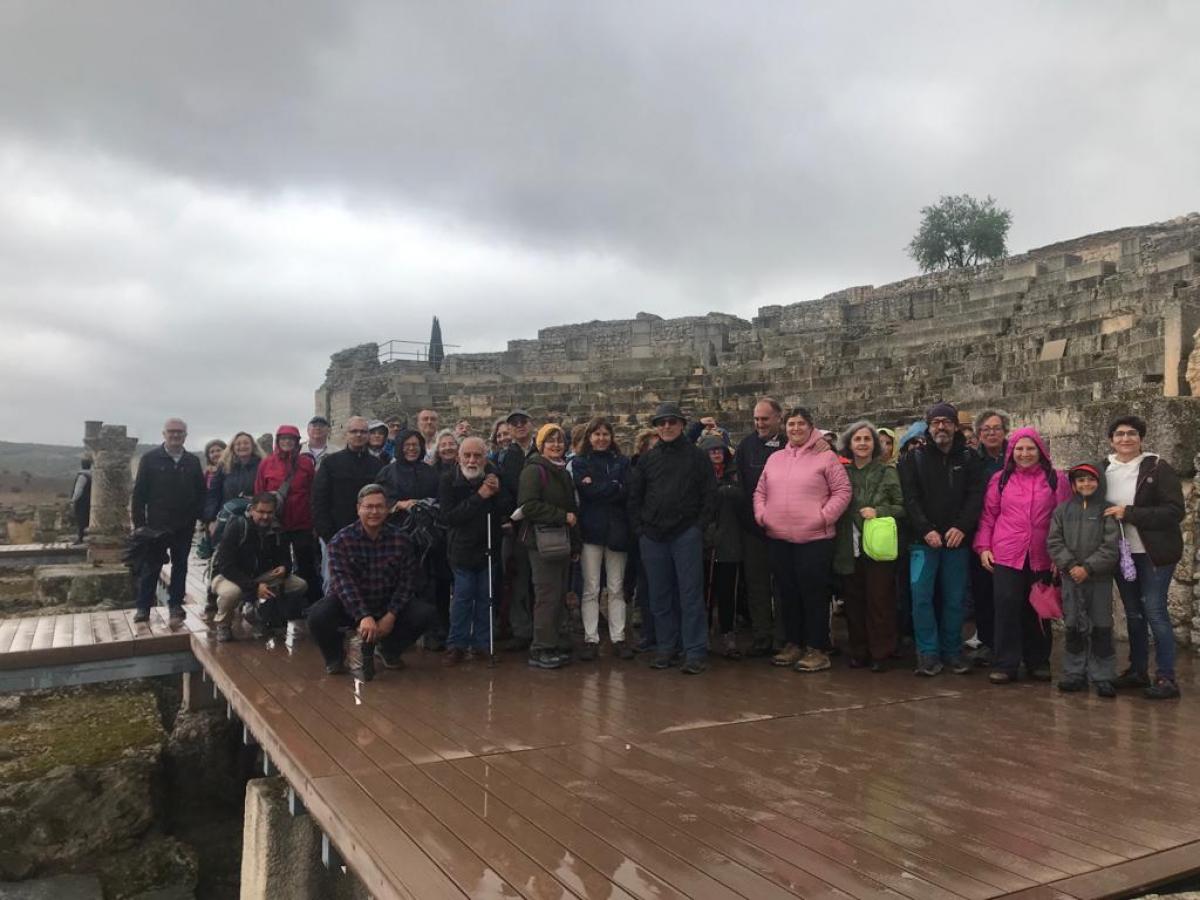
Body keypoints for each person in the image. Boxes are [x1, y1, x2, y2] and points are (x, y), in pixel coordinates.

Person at [754, 407, 851, 673]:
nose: (795, 429)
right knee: (788, 594)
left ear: (811, 427)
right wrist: (762, 515)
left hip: (815, 539)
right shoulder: (775, 458)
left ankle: (817, 648)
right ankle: (793, 643)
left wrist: (823, 517)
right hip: (780, 537)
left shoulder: (826, 456)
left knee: (813, 594)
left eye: (801, 424)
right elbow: (761, 490)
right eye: (791, 424)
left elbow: (842, 490)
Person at [973, 427, 1070, 684]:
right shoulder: (1000, 480)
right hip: (1007, 553)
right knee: (1006, 608)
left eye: (1030, 448)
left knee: (1038, 609)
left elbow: (1064, 519)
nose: (1025, 454)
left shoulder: (1056, 479)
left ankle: (1038, 661)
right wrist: (983, 547)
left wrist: (1061, 557)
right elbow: (988, 516)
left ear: (1040, 451)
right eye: (1019, 449)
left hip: (1042, 553)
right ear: (1011, 452)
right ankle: (1006, 663)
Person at [307, 484, 435, 679]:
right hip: (350, 605)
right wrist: (363, 616)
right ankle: (335, 657)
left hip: (386, 603)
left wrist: (391, 615)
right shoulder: (340, 541)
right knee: (317, 615)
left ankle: (388, 650)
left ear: (387, 509)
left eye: (379, 506)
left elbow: (407, 582)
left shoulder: (402, 540)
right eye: (369, 506)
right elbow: (343, 584)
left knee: (425, 613)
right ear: (358, 508)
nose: (374, 511)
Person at [627, 403, 718, 675]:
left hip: (685, 533)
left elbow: (709, 494)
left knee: (690, 595)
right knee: (660, 595)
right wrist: (640, 529)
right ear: (656, 426)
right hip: (653, 536)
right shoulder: (648, 459)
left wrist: (698, 527)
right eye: (661, 422)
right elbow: (635, 496)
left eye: (672, 422)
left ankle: (694, 650)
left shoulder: (697, 457)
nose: (666, 426)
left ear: (681, 424)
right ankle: (667, 646)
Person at [1102, 414, 1186, 700]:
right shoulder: (1104, 469)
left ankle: (1166, 677)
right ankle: (1138, 671)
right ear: (1111, 439)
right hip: (1122, 554)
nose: (1125, 438)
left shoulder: (1158, 467)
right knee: (1134, 614)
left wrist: (1130, 513)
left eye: (1132, 433)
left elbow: (1174, 511)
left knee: (1155, 612)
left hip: (1154, 554)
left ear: (1141, 438)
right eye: (1119, 434)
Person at [899, 402, 985, 677]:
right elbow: (910, 498)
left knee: (955, 598)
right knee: (921, 597)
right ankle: (927, 652)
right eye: (935, 422)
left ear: (955, 425)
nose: (941, 427)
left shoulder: (970, 458)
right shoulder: (914, 458)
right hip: (923, 541)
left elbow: (975, 497)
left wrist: (961, 527)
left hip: (956, 541)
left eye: (946, 421)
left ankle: (952, 650)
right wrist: (926, 529)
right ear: (928, 426)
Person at [832, 421, 904, 671]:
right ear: (849, 444)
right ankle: (858, 651)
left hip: (877, 545)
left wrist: (879, 511)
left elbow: (901, 506)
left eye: (867, 439)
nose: (862, 443)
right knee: (853, 602)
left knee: (880, 601)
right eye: (857, 439)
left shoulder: (887, 472)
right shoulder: (842, 473)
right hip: (848, 545)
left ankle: (881, 652)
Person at [1047, 464, 1119, 698]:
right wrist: (1071, 566)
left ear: (1099, 482)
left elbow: (1111, 546)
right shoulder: (1062, 511)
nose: (1086, 484)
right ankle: (1074, 672)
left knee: (1101, 626)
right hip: (1071, 578)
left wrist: (1088, 567)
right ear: (1074, 484)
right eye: (1081, 481)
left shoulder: (1106, 511)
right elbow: (1054, 542)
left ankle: (1103, 675)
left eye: (1090, 480)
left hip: (1099, 578)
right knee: (1074, 624)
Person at [439, 437, 511, 665]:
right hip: (461, 549)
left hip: (488, 547)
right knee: (462, 597)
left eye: (477, 456)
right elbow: (450, 517)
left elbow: (506, 508)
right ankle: (456, 644)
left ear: (485, 457)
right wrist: (480, 496)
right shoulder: (449, 479)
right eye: (467, 455)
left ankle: (483, 643)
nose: (472, 460)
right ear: (459, 457)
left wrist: (497, 493)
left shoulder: (495, 476)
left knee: (485, 598)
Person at [131, 418, 206, 624]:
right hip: (156, 526)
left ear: (185, 436)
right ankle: (143, 608)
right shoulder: (150, 459)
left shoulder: (192, 461)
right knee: (151, 566)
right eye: (171, 432)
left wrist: (201, 518)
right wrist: (139, 526)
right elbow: (139, 495)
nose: (175, 435)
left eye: (180, 432)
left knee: (180, 566)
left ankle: (175, 606)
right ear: (164, 434)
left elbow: (200, 492)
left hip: (184, 525)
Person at [377, 429, 447, 649]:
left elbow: (440, 499)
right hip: (398, 533)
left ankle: (433, 632)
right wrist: (400, 504)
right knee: (398, 582)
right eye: (407, 445)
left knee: (429, 582)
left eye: (415, 445)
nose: (411, 449)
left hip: (427, 535)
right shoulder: (388, 472)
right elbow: (380, 501)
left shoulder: (430, 472)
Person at [518, 424, 581, 669]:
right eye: (550, 441)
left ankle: (554, 642)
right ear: (541, 445)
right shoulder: (534, 470)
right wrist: (561, 516)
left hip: (560, 542)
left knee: (557, 594)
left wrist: (575, 542)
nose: (556, 445)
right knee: (547, 595)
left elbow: (572, 510)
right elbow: (528, 505)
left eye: (560, 441)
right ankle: (541, 648)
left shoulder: (561, 471)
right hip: (542, 542)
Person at [573, 417, 633, 660]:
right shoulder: (580, 462)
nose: (601, 438)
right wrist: (613, 486)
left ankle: (618, 637)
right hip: (591, 531)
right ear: (589, 437)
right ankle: (591, 638)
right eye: (596, 434)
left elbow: (626, 489)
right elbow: (587, 492)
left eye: (605, 434)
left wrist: (600, 486)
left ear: (611, 437)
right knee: (591, 588)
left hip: (617, 531)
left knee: (616, 587)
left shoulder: (623, 461)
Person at [211, 493, 307, 642]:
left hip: (260, 577)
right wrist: (254, 587)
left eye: (269, 512)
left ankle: (262, 613)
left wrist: (284, 568)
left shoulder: (278, 531)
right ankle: (223, 624)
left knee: (299, 585)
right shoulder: (237, 527)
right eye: (261, 512)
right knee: (231, 593)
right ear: (252, 510)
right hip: (229, 576)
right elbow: (226, 565)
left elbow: (286, 559)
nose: (265, 517)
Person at [735, 397, 786, 656]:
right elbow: (741, 486)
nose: (760, 423)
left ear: (779, 417)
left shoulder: (790, 443)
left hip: (785, 529)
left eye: (765, 419)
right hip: (754, 528)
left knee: (783, 585)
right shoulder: (746, 446)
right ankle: (762, 636)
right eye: (756, 419)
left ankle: (783, 637)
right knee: (757, 586)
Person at [253, 424, 318, 617]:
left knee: (306, 564)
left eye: (291, 439)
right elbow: (259, 492)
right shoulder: (266, 464)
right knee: (275, 567)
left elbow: (313, 493)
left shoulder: (306, 464)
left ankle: (308, 605)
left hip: (301, 522)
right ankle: (275, 608)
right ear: (277, 441)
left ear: (297, 442)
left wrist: (314, 523)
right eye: (284, 439)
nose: (287, 442)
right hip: (275, 525)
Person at [967, 408, 1011, 667]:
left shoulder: (1017, 455)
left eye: (996, 428)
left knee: (1010, 594)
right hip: (980, 531)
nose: (992, 433)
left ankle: (1011, 642)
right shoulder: (973, 460)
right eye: (986, 429)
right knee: (983, 591)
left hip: (1011, 531)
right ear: (979, 434)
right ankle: (987, 641)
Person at [699, 434, 743, 659]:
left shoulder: (734, 474)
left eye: (719, 450)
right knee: (705, 591)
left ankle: (728, 633)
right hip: (706, 543)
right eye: (712, 450)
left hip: (729, 542)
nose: (716, 453)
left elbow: (742, 497)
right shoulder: (699, 476)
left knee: (728, 593)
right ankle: (704, 633)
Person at [311, 417, 386, 545]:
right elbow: (319, 500)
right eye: (354, 431)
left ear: (368, 435)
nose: (358, 435)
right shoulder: (330, 463)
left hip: (371, 535)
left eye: (363, 432)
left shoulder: (378, 465)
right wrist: (328, 534)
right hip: (336, 533)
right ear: (346, 434)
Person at [497, 408, 537, 649]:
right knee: (518, 579)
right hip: (516, 525)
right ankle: (522, 630)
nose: (520, 426)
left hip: (541, 524)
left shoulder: (542, 449)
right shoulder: (505, 457)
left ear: (530, 424)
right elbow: (502, 492)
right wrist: (507, 518)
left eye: (523, 421)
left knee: (542, 581)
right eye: (515, 423)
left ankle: (543, 629)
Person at [626, 428, 659, 652]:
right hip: (643, 536)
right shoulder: (636, 469)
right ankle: (649, 633)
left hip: (662, 534)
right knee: (646, 587)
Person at [204, 432, 263, 524]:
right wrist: (211, 519)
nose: (242, 446)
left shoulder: (262, 465)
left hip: (254, 517)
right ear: (233, 447)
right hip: (226, 516)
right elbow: (213, 494)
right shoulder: (224, 466)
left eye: (246, 443)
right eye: (238, 444)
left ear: (253, 446)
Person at [71, 458, 92, 545]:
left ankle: (81, 538)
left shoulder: (82, 476)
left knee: (80, 519)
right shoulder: (92, 475)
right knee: (87, 518)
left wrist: (73, 500)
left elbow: (78, 490)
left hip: (81, 501)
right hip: (89, 500)